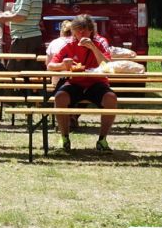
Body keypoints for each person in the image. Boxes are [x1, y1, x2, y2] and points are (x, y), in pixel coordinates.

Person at [47, 14, 117, 152]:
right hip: (75, 82)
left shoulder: (100, 42)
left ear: (91, 30)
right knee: (60, 98)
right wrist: (63, 65)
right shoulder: (68, 43)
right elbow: (50, 66)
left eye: (84, 30)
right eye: (77, 30)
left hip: (96, 82)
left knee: (111, 99)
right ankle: (64, 138)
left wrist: (93, 48)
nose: (81, 34)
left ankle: (102, 140)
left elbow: (107, 65)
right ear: (73, 31)